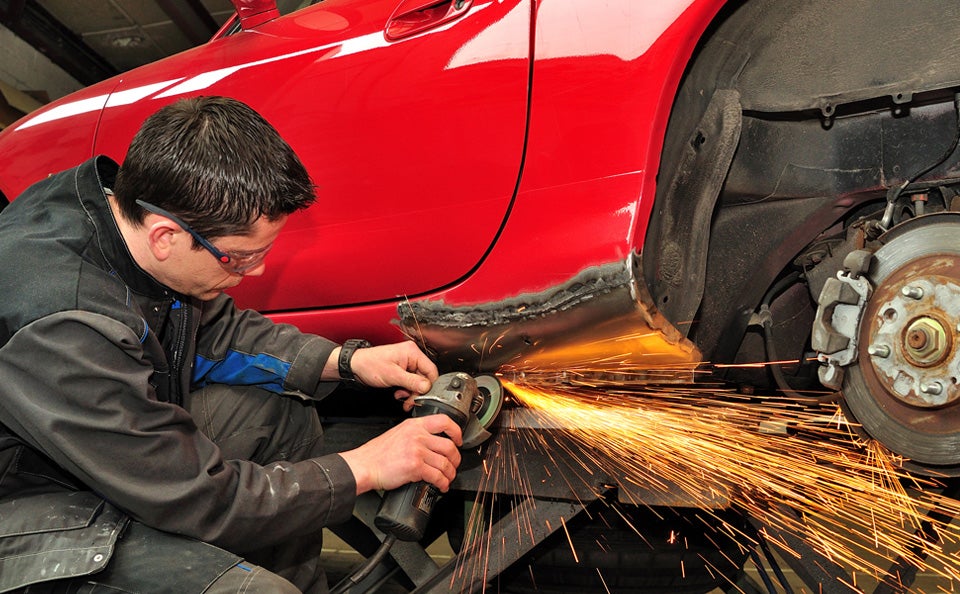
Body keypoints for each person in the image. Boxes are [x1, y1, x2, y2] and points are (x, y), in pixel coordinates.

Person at [0, 96, 463, 594]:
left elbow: (215, 331)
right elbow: (197, 498)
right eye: (240, 258)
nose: (256, 271)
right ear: (165, 237)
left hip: (103, 448)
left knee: (278, 412)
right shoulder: (63, 324)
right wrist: (366, 466)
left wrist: (346, 361)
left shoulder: (121, 216)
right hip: (29, 503)